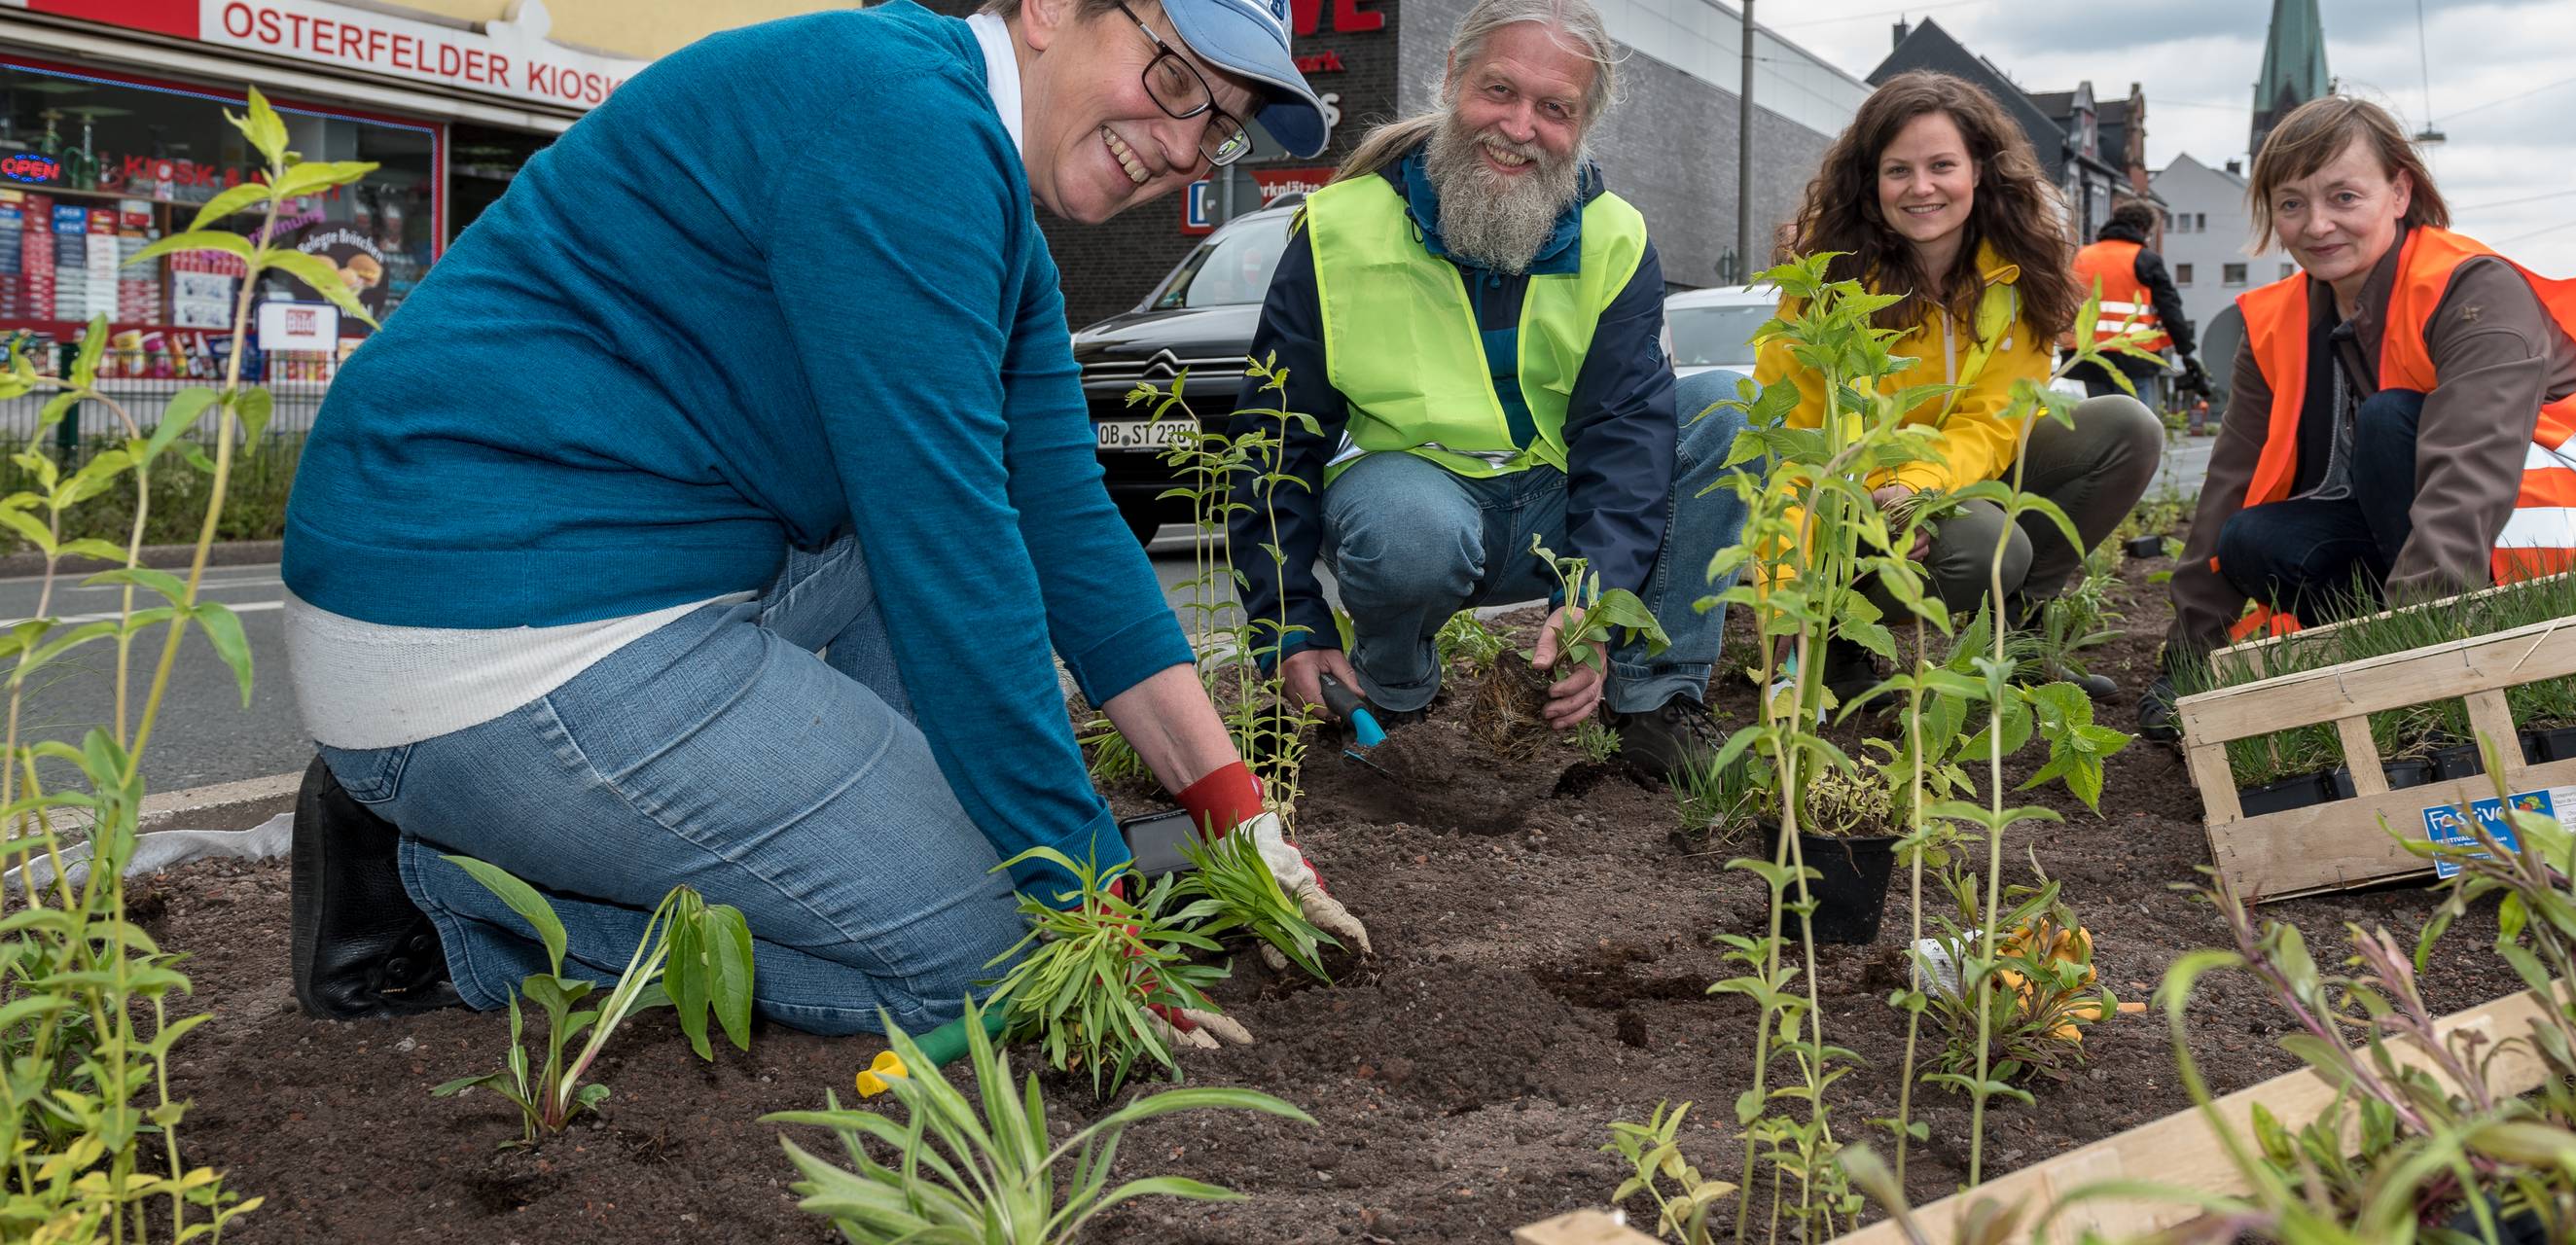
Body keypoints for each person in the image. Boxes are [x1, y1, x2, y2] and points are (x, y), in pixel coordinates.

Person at [280, 0, 1366, 1047]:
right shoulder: (900, 124)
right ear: (1048, 7)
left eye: (1215, 125)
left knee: (993, 795)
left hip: (595, 570)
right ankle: (458, 902)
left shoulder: (978, 188)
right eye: (1173, 77)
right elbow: (951, 556)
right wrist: (1089, 911)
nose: (1181, 142)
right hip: (485, 632)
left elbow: (1062, 518)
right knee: (1007, 954)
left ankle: (614, 830)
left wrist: (1238, 814)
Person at [1225, 0, 1741, 782]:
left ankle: (1651, 698)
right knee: (1409, 526)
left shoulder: (1616, 239)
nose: (1519, 126)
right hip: (1411, 503)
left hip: (1552, 507)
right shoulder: (1339, 231)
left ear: (1583, 125)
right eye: (1499, 91)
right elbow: (1276, 435)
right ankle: (1394, 691)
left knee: (1724, 408)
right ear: (1451, 79)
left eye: (1554, 108)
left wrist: (1591, 605)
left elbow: (1626, 438)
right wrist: (1290, 622)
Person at [2141, 96, 2576, 737]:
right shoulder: (2278, 322)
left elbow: (2468, 480)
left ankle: (2453, 673)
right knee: (2251, 538)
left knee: (2388, 422)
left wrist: (2411, 675)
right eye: (2292, 204)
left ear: (2400, 192)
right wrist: (2185, 666)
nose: (2317, 225)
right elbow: (2227, 487)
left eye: (2344, 197)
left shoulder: (2472, 290)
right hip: (2479, 553)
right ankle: (2404, 654)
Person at [1753, 71, 2165, 703]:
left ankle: (2016, 644)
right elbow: (1790, 438)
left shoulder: (2016, 272)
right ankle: (1837, 638)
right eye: (1898, 170)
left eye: (1942, 165)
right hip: (1848, 506)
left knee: (2125, 429)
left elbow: (1995, 422)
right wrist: (1784, 593)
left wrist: (1915, 490)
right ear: (1870, 182)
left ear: (1979, 169)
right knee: (1983, 548)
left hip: (1943, 480)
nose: (1922, 188)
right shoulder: (1827, 280)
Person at [2070, 198, 2207, 405]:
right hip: (2133, 357)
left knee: (2099, 424)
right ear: (2143, 229)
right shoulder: (2144, 259)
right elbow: (2170, 309)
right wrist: (2186, 352)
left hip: (2087, 357)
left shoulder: (2081, 257)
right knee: (2137, 428)